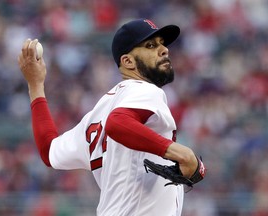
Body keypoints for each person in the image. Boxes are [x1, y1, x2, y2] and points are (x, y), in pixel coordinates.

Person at [18, 18, 205, 216]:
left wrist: (36, 86)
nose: (164, 50)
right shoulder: (144, 90)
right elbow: (118, 123)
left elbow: (49, 151)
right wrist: (180, 153)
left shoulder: (96, 115)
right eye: (150, 45)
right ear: (128, 61)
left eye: (161, 43)